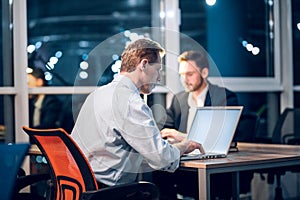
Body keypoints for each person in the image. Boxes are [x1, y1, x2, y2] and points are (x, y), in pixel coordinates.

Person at [71, 38, 204, 191]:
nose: (159, 78)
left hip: (78, 186)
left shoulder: (96, 95)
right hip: (106, 191)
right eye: (158, 70)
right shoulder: (131, 102)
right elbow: (162, 158)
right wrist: (184, 146)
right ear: (144, 64)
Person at [154, 50, 239, 200]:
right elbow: (164, 130)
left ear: (204, 72)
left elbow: (219, 137)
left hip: (213, 164)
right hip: (187, 162)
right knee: (157, 173)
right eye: (181, 74)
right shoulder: (179, 99)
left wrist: (180, 136)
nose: (184, 79)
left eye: (189, 74)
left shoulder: (224, 97)